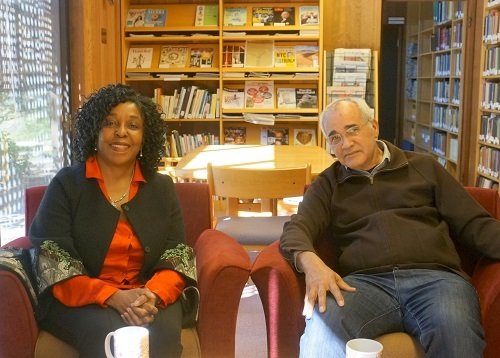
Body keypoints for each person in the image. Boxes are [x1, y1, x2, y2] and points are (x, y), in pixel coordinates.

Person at [279, 97, 500, 357]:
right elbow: (296, 229)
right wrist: (311, 263)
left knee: (457, 336)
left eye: (352, 130)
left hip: (435, 280)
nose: (346, 144)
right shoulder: (328, 184)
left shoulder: (423, 167)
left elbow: (475, 223)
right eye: (335, 137)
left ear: (373, 127)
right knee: (320, 335)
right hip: (364, 285)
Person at [29, 83, 197, 358]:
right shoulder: (67, 185)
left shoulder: (161, 187)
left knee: (163, 330)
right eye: (110, 123)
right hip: (84, 298)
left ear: (144, 137)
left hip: (148, 292)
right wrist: (113, 296)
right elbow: (53, 259)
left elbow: (176, 254)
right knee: (108, 330)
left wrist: (151, 295)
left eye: (133, 125)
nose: (121, 132)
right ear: (95, 131)